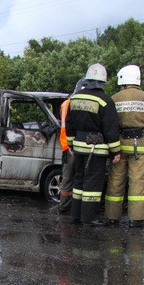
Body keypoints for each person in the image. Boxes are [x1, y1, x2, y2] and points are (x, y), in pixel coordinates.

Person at [104, 65, 144, 228]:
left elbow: (110, 124)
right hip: (140, 146)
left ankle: (112, 217)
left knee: (115, 181)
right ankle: (136, 219)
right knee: (137, 182)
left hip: (120, 146)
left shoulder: (114, 98)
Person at [64, 63, 121, 226]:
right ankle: (89, 217)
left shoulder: (75, 98)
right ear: (103, 81)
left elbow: (69, 124)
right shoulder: (105, 101)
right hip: (96, 149)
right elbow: (111, 129)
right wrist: (115, 151)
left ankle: (76, 214)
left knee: (79, 180)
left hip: (79, 147)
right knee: (93, 184)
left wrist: (71, 145)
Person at [56, 78, 87, 214]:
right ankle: (72, 208)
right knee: (76, 177)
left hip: (66, 145)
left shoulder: (65, 103)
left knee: (68, 178)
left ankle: (64, 206)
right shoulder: (76, 104)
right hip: (74, 146)